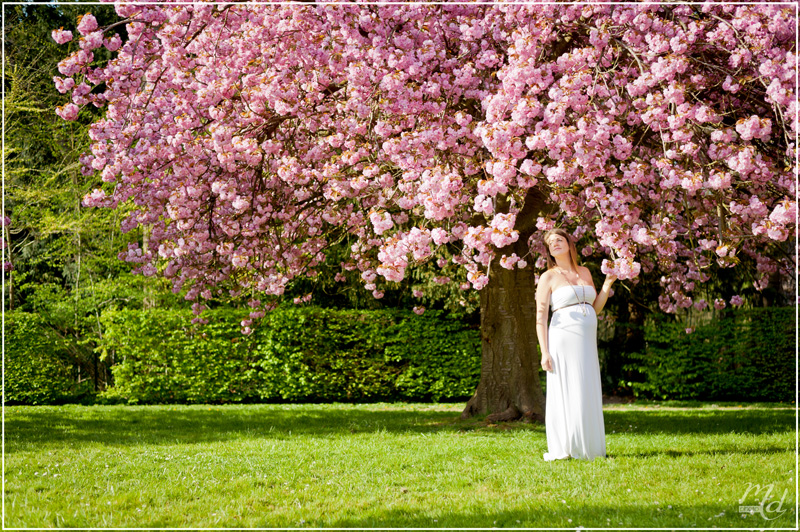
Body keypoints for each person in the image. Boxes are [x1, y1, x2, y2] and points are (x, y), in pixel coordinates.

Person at [534, 228, 616, 461]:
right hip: (562, 337)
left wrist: (607, 284)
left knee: (586, 386)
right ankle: (567, 446)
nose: (555, 244)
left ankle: (590, 446)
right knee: (566, 387)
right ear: (549, 251)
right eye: (551, 243)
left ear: (570, 244)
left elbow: (595, 308)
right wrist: (545, 352)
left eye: (559, 240)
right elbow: (540, 317)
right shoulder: (548, 277)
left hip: (586, 342)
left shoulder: (585, 272)